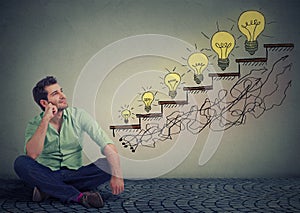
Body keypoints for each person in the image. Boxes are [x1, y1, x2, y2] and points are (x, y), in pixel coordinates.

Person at [14, 76, 124, 208]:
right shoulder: (34, 124)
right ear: (44, 103)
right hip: (47, 172)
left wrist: (117, 175)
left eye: (61, 91)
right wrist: (46, 120)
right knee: (21, 162)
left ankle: (47, 188)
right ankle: (79, 196)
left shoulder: (79, 116)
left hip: (76, 173)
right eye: (55, 93)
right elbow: (32, 155)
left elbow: (106, 144)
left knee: (108, 163)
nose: (63, 96)